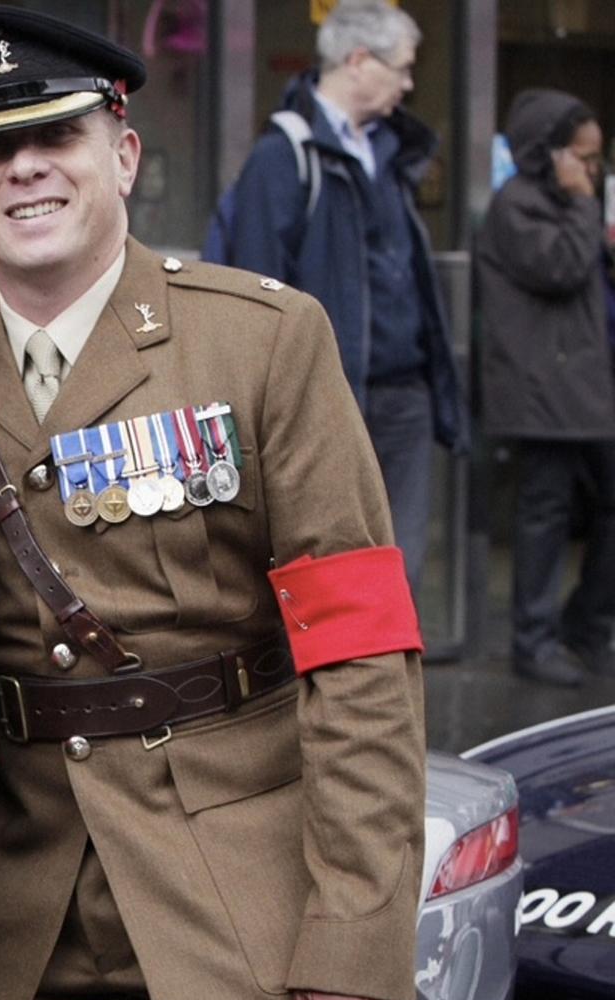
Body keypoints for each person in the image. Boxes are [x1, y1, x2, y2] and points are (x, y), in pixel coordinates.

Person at [0, 10, 425, 1000]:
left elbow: (358, 650)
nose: (27, 169)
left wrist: (356, 936)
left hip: (239, 873)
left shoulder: (261, 338)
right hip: (23, 896)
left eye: (56, 136)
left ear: (122, 153)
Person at [213, 0, 465, 596]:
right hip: (327, 398)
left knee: (399, 570)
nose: (409, 84)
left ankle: (392, 684)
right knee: (331, 567)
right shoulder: (284, 158)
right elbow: (255, 295)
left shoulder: (390, 153)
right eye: (402, 68)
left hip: (403, 395)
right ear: (358, 61)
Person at [478, 90, 615, 687]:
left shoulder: (564, 201)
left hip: (584, 387)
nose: (591, 171)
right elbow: (559, 268)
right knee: (545, 512)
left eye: (596, 161)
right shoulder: (518, 205)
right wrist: (587, 208)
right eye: (582, 158)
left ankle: (587, 625)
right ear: (549, 152)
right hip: (544, 393)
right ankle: (533, 642)